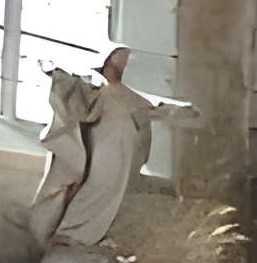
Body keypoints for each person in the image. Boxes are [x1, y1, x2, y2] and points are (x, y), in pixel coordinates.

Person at [28, 46, 191, 248]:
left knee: (111, 191)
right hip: (103, 148)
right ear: (105, 65)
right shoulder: (99, 90)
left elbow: (156, 110)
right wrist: (56, 74)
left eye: (123, 63)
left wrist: (183, 111)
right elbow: (76, 99)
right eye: (116, 62)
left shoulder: (130, 95)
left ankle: (84, 233)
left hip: (123, 153)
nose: (120, 67)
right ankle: (69, 232)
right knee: (97, 186)